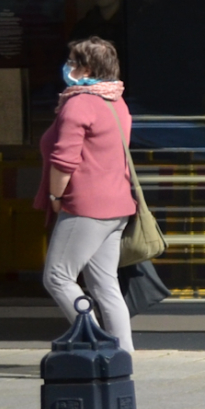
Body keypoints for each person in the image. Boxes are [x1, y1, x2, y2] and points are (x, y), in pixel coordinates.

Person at [36, 38, 138, 352]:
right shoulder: (115, 101)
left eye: (73, 61)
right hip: (117, 207)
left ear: (88, 69)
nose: (68, 66)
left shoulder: (79, 103)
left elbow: (64, 160)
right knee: (105, 285)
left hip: (85, 207)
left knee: (57, 277)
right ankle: (123, 355)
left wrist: (55, 198)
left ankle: (95, 344)